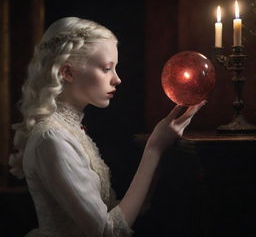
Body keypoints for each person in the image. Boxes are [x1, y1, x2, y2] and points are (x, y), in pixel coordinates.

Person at [9, 17, 206, 237]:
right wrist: (154, 149)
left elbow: (120, 212)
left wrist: (161, 148)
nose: (117, 79)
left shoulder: (69, 131)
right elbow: (107, 232)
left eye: (115, 68)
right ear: (68, 72)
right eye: (106, 68)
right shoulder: (51, 138)